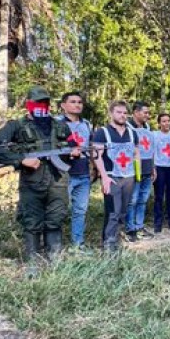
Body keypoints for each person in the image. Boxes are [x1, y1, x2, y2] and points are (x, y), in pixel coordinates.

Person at [0, 86, 79, 275]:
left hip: (58, 180)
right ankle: (33, 263)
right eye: (37, 103)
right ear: (28, 104)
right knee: (32, 222)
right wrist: (21, 160)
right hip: (31, 182)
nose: (41, 106)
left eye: (45, 102)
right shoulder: (16, 126)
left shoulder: (60, 126)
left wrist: (74, 152)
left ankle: (55, 259)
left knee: (56, 219)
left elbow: (73, 145)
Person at [91, 101, 138, 252]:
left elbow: (136, 154)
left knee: (123, 211)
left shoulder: (132, 133)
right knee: (112, 211)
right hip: (112, 177)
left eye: (125, 113)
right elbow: (96, 156)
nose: (122, 115)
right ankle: (108, 243)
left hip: (129, 177)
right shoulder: (102, 132)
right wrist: (104, 177)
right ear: (111, 113)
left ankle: (117, 238)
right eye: (119, 112)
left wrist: (137, 174)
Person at [58, 91, 93, 249]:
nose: (77, 105)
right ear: (63, 105)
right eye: (72, 102)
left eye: (79, 102)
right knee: (58, 210)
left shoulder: (86, 124)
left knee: (80, 210)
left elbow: (90, 147)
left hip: (83, 173)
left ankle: (78, 244)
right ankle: (55, 245)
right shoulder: (56, 123)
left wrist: (93, 168)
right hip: (63, 173)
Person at [126, 101, 155, 240]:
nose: (148, 115)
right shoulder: (127, 127)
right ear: (136, 112)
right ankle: (130, 228)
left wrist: (153, 167)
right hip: (134, 169)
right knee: (132, 200)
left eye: (148, 112)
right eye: (145, 112)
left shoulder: (148, 127)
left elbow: (151, 149)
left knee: (143, 200)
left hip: (147, 168)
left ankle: (139, 226)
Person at [152, 113, 170, 233]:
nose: (166, 123)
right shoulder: (154, 135)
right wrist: (153, 167)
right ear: (159, 123)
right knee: (159, 196)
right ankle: (158, 222)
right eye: (163, 121)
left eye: (168, 121)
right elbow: (152, 151)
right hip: (159, 167)